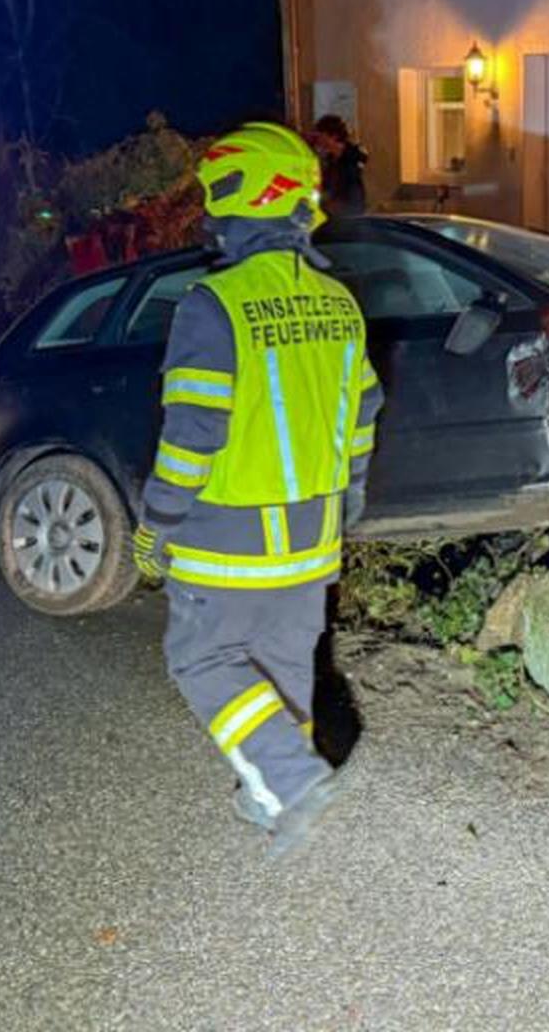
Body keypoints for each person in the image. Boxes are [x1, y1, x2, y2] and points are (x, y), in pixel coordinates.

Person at [131, 121, 381, 860]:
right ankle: (271, 793)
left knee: (202, 660)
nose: (210, 220)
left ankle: (291, 779)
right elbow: (362, 416)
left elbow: (190, 438)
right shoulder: (339, 303)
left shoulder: (213, 305)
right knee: (282, 662)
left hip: (227, 538)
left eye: (215, 204)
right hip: (311, 537)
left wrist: (157, 524)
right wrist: (348, 506)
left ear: (240, 207)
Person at [311, 114, 368, 217]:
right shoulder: (330, 160)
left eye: (321, 135)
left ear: (333, 136)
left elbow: (350, 185)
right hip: (333, 212)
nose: (318, 139)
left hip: (349, 212)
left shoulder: (352, 157)